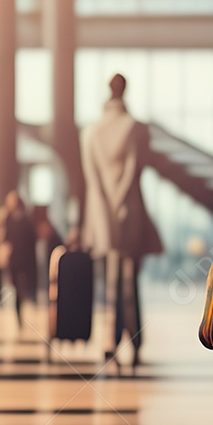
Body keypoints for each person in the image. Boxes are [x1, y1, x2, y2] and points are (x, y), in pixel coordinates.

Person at [80, 73, 163, 367]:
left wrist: (105, 214)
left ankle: (110, 340)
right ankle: (134, 340)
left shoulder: (90, 133)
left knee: (110, 282)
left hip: (100, 217)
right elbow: (131, 172)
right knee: (130, 281)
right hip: (129, 214)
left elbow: (92, 181)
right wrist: (119, 208)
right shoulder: (136, 128)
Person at [0, 191, 38, 328]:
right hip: (13, 260)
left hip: (24, 260)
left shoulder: (27, 221)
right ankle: (19, 315)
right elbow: (3, 239)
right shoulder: (7, 220)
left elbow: (32, 242)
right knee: (16, 288)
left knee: (21, 289)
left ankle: (21, 314)